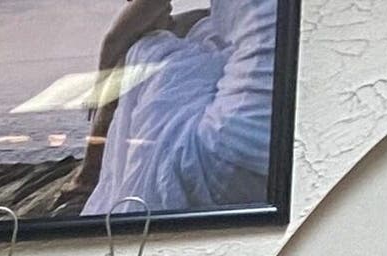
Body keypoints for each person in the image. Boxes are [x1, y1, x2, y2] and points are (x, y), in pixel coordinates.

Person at [78, 0, 283, 217]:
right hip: (279, 152)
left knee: (141, 46)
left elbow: (115, 39)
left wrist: (99, 88)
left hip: (225, 152)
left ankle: (89, 172)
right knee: (201, 31)